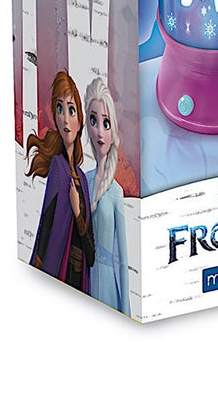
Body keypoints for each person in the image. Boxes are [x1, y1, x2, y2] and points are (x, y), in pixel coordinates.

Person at [26, 71, 94, 292]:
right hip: (60, 272)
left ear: (80, 120)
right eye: (60, 109)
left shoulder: (83, 180)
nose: (65, 119)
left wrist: (77, 212)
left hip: (80, 279)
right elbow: (46, 224)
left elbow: (91, 254)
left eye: (71, 110)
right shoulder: (57, 166)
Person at [84, 78, 130, 315]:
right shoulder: (83, 181)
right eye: (94, 121)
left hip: (108, 289)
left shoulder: (115, 192)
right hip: (83, 281)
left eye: (106, 123)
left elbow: (123, 260)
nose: (100, 132)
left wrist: (127, 311)